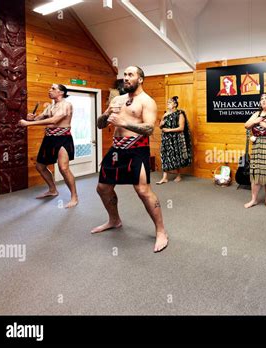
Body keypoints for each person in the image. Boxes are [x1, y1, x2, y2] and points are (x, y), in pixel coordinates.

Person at [92, 66, 168, 253]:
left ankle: (161, 231)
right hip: (117, 149)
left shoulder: (147, 101)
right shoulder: (117, 99)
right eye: (124, 75)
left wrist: (124, 123)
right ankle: (114, 220)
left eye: (130, 75)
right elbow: (100, 124)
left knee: (143, 190)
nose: (126, 78)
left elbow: (150, 129)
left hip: (136, 149)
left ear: (140, 79)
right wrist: (107, 112)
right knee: (102, 188)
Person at [18, 84, 78, 208]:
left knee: (63, 168)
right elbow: (40, 118)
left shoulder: (66, 105)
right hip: (49, 138)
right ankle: (52, 190)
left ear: (61, 92)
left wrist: (29, 124)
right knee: (40, 166)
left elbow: (54, 120)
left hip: (63, 139)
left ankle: (74, 197)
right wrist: (32, 118)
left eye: (53, 89)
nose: (49, 90)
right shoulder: (51, 106)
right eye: (50, 88)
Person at [156, 96, 193, 184]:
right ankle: (164, 177)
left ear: (175, 104)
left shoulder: (179, 113)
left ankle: (178, 175)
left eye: (170, 102)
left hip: (176, 138)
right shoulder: (165, 114)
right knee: (164, 155)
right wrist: (161, 124)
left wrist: (169, 130)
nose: (168, 104)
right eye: (167, 102)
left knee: (176, 156)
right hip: (166, 138)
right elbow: (161, 126)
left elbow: (181, 128)